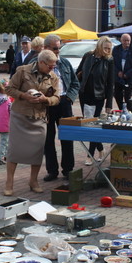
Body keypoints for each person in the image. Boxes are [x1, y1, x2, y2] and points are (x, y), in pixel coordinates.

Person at [4, 50, 60, 196]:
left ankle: (33, 181)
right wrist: (24, 96)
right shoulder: (23, 71)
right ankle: (9, 183)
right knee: (14, 151)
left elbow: (57, 97)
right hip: (20, 116)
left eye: (54, 66)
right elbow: (9, 89)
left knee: (37, 152)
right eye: (50, 66)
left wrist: (46, 100)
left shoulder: (53, 77)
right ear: (41, 62)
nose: (52, 69)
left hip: (39, 117)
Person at [36, 35, 80, 182]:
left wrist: (69, 98)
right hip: (46, 104)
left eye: (59, 48)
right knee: (48, 138)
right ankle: (52, 171)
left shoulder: (65, 63)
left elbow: (75, 83)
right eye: (55, 48)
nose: (58, 51)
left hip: (63, 102)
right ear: (46, 48)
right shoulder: (37, 64)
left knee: (67, 136)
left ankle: (68, 169)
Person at [77, 36, 114, 164]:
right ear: (99, 46)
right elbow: (78, 72)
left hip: (99, 96)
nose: (108, 51)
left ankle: (90, 154)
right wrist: (79, 79)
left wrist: (109, 103)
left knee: (94, 126)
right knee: (88, 124)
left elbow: (110, 84)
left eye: (109, 49)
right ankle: (100, 148)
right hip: (85, 94)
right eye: (105, 48)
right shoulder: (88, 56)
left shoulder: (109, 61)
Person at [112, 33, 132, 111]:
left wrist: (126, 74)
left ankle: (130, 111)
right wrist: (118, 72)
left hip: (129, 77)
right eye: (124, 40)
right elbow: (112, 62)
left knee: (128, 97)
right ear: (121, 40)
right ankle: (122, 109)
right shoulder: (116, 49)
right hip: (118, 77)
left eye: (128, 40)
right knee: (117, 94)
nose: (126, 42)